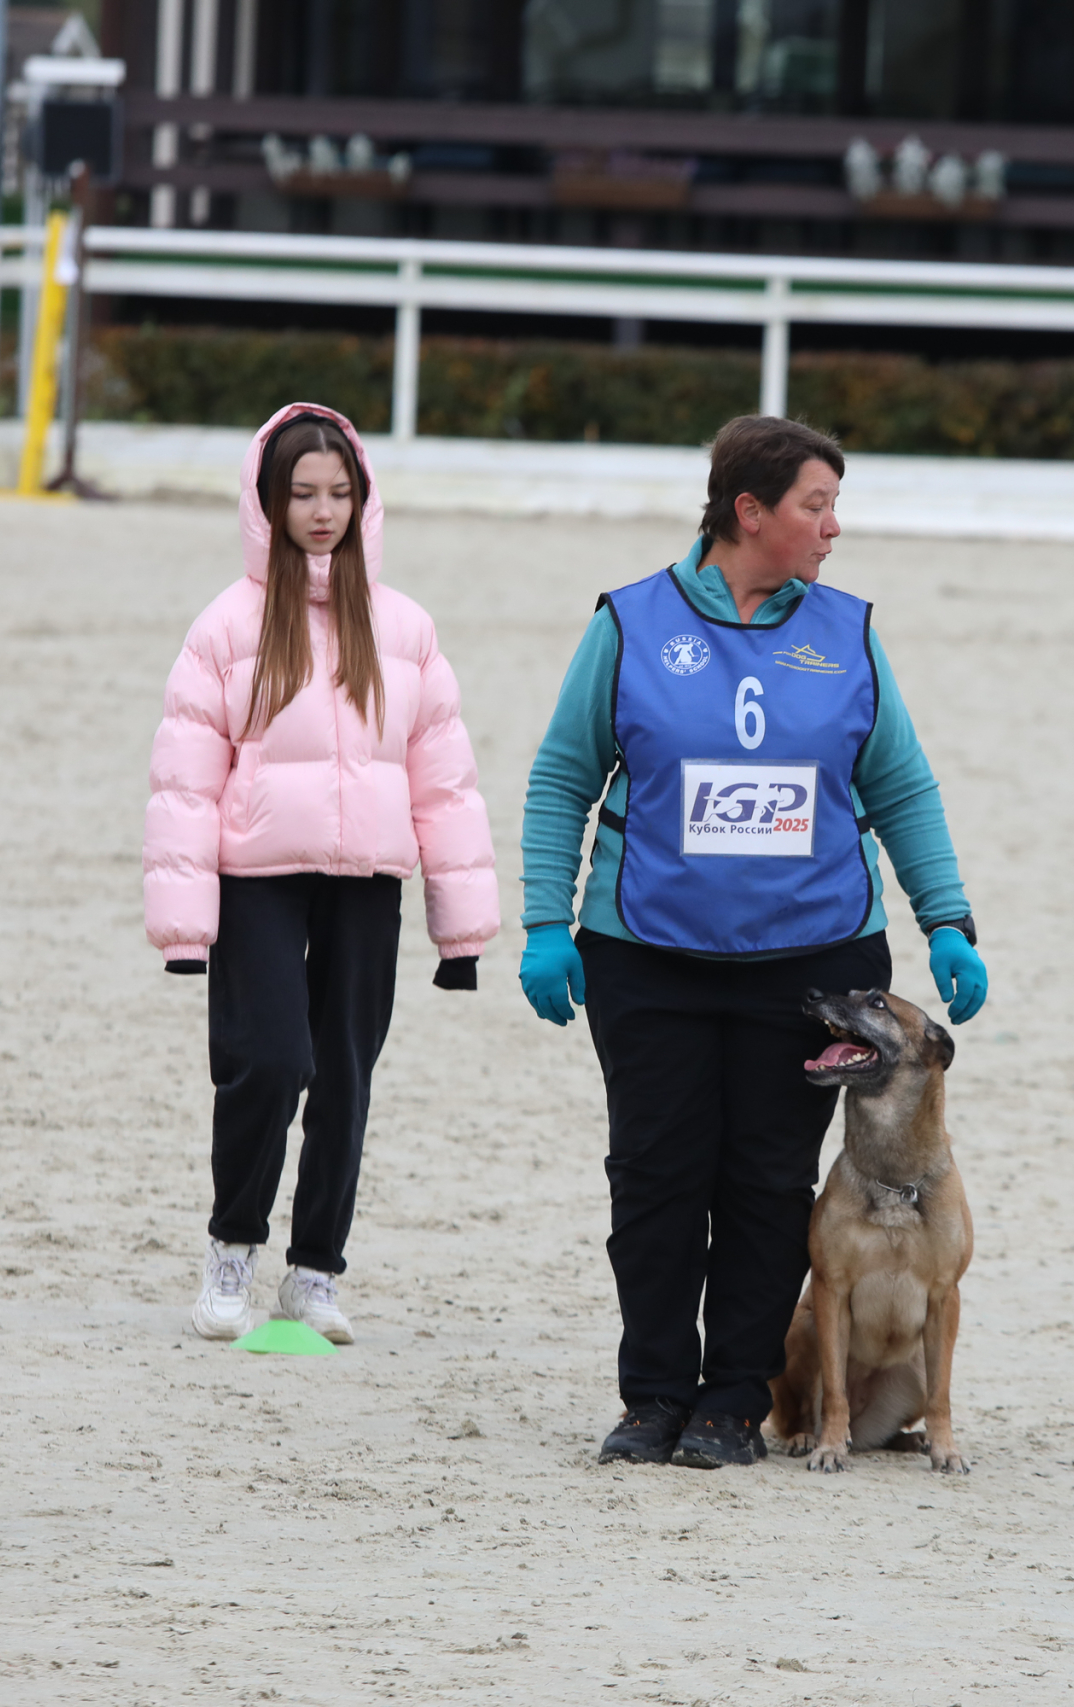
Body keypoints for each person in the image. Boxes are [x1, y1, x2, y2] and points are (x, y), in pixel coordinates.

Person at [518, 414, 989, 1471]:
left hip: (811, 965)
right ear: (748, 512)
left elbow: (901, 785)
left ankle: (732, 1400)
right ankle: (651, 1396)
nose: (832, 529)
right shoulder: (631, 623)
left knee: (768, 1184)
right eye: (815, 507)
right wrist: (549, 923)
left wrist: (946, 918)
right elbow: (561, 778)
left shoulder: (847, 632)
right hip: (647, 952)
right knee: (654, 1178)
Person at [144, 404, 496, 1346]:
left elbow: (447, 782)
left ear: (363, 499)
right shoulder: (225, 625)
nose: (323, 509)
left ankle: (314, 1272)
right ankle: (232, 1246)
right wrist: (184, 927)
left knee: (344, 1070)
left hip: (366, 875)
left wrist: (459, 931)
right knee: (269, 1060)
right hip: (257, 872)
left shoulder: (406, 628)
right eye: (303, 492)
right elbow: (184, 779)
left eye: (340, 492)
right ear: (269, 500)